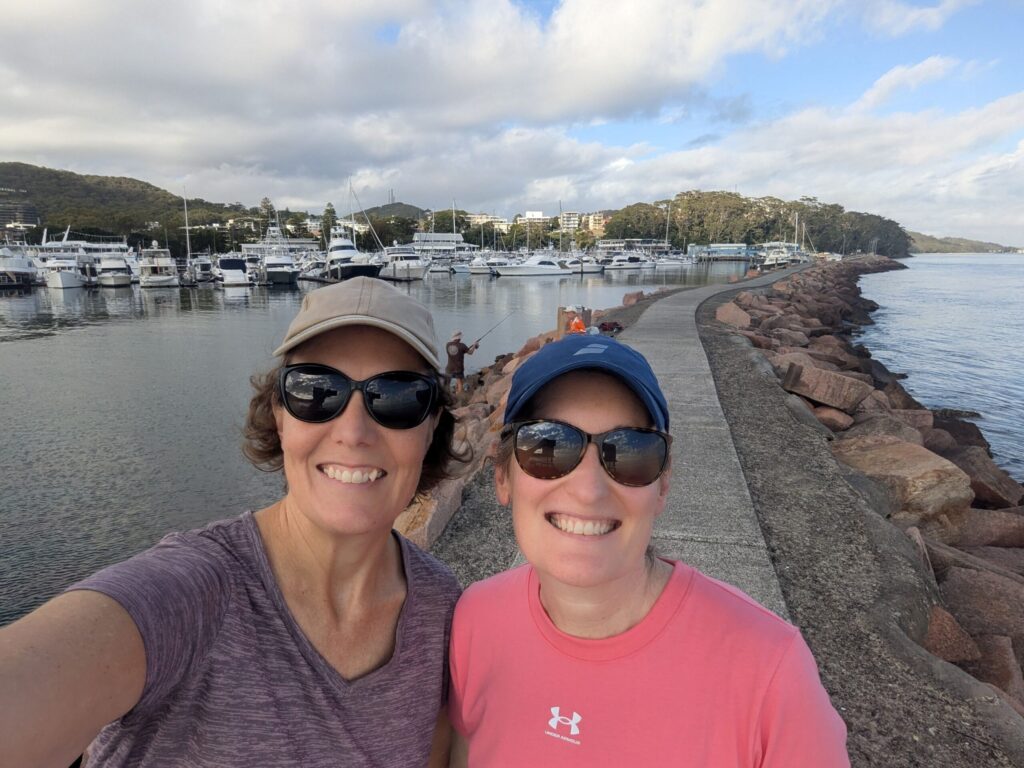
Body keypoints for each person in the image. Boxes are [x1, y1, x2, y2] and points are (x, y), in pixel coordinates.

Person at [0, 277, 468, 767]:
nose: (353, 432)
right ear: (280, 415)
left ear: (432, 425)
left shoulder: (440, 609)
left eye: (396, 397)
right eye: (315, 391)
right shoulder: (190, 594)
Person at [448, 334, 849, 766]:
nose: (588, 490)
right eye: (548, 446)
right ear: (503, 477)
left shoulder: (770, 672)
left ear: (663, 483)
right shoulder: (475, 621)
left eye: (628, 452)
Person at [445, 330, 478, 395]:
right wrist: (474, 345)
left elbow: (457, 352)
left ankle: (448, 395)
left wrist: (463, 351)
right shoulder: (462, 346)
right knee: (459, 382)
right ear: (459, 338)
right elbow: (470, 353)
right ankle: (458, 396)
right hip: (458, 368)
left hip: (449, 368)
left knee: (447, 383)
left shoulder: (447, 345)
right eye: (460, 337)